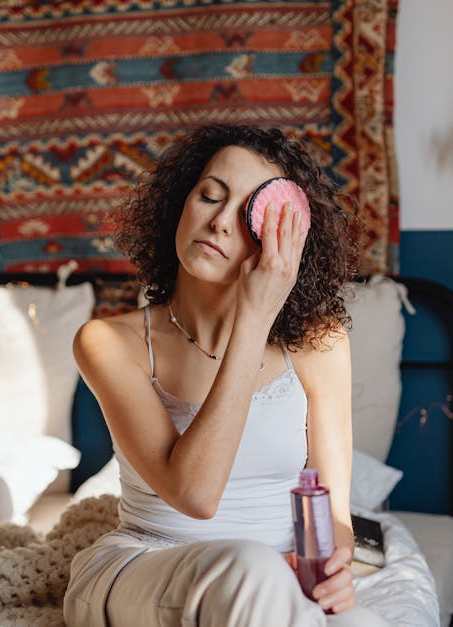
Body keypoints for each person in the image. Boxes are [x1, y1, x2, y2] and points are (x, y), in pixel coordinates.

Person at [64, 124, 383, 626]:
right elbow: (196, 495)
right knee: (251, 568)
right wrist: (254, 318)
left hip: (278, 583)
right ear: (181, 203)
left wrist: (331, 565)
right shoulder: (108, 342)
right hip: (145, 567)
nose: (218, 223)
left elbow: (334, 515)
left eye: (248, 215)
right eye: (210, 197)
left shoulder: (319, 344)